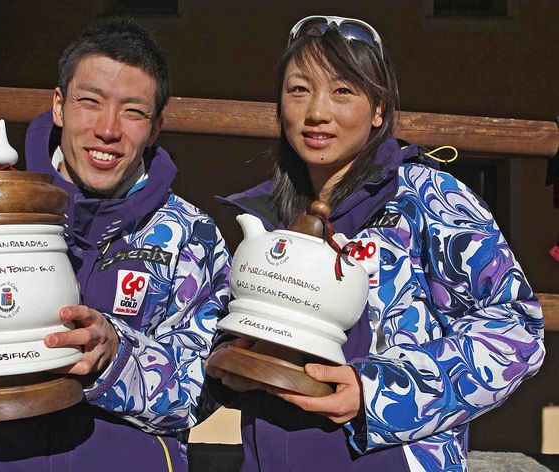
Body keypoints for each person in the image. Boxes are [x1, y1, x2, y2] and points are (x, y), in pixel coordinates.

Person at [207, 15, 545, 471]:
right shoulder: (269, 217)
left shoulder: (428, 199)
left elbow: (517, 328)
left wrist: (376, 391)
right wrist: (234, 362)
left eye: (343, 90)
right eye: (299, 89)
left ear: (379, 109)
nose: (317, 112)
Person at [0, 18, 230, 471]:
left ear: (155, 128)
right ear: (59, 105)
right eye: (89, 102)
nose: (108, 130)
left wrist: (115, 357)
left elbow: (205, 389)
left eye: (133, 111)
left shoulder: (191, 235)